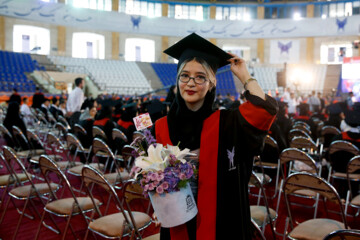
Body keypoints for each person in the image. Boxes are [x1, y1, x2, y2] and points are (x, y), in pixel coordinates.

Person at [154, 33, 277, 240]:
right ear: (177, 80)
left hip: (222, 225)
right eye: (184, 75)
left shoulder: (228, 123)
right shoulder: (161, 126)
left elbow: (265, 111)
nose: (191, 82)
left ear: (211, 83)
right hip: (178, 225)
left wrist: (244, 75)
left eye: (200, 77)